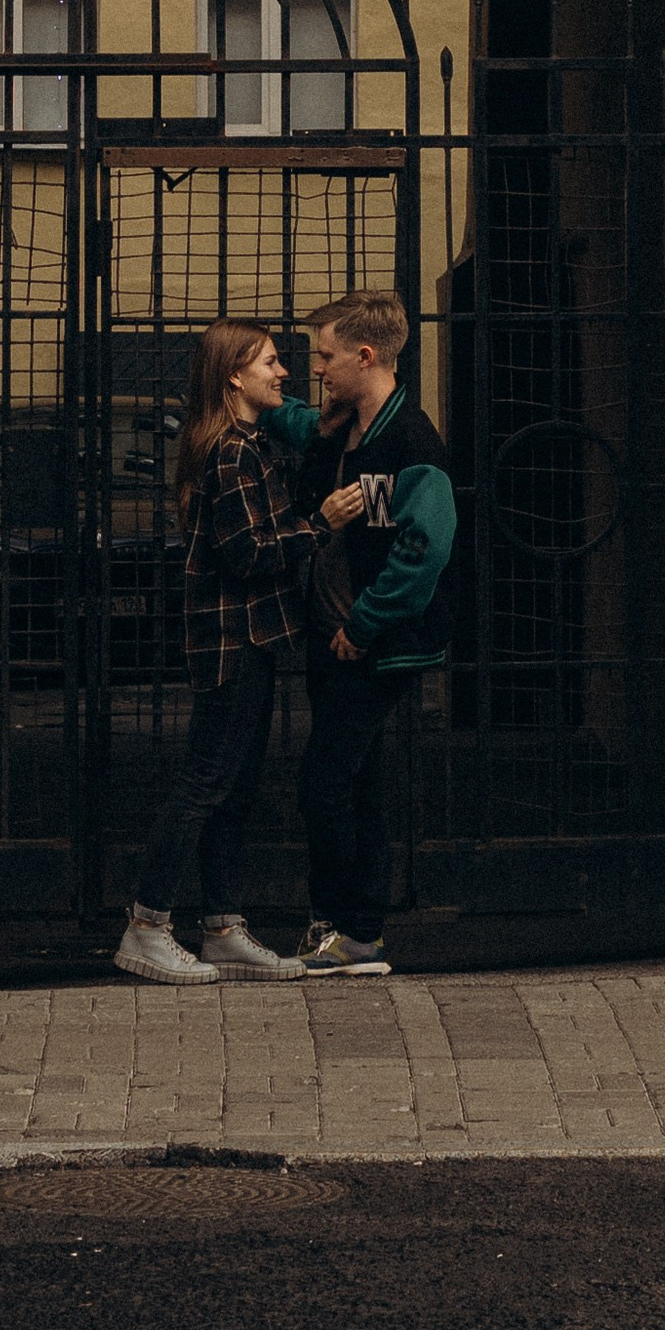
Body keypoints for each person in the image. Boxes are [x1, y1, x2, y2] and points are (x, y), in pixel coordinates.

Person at [115, 317, 352, 986]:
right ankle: (147, 926)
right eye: (272, 362)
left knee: (234, 788)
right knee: (205, 784)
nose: (285, 372)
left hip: (254, 637)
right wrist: (320, 527)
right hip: (235, 641)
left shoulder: (251, 440)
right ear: (235, 377)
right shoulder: (231, 452)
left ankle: (222, 927)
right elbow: (247, 554)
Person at [276, 289, 457, 980]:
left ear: (365, 354)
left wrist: (365, 622)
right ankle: (361, 933)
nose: (315, 367)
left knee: (324, 780)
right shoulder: (343, 427)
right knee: (360, 781)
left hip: (374, 643)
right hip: (337, 640)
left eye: (324, 355)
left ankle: (344, 927)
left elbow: (426, 547)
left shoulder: (410, 439)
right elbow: (294, 421)